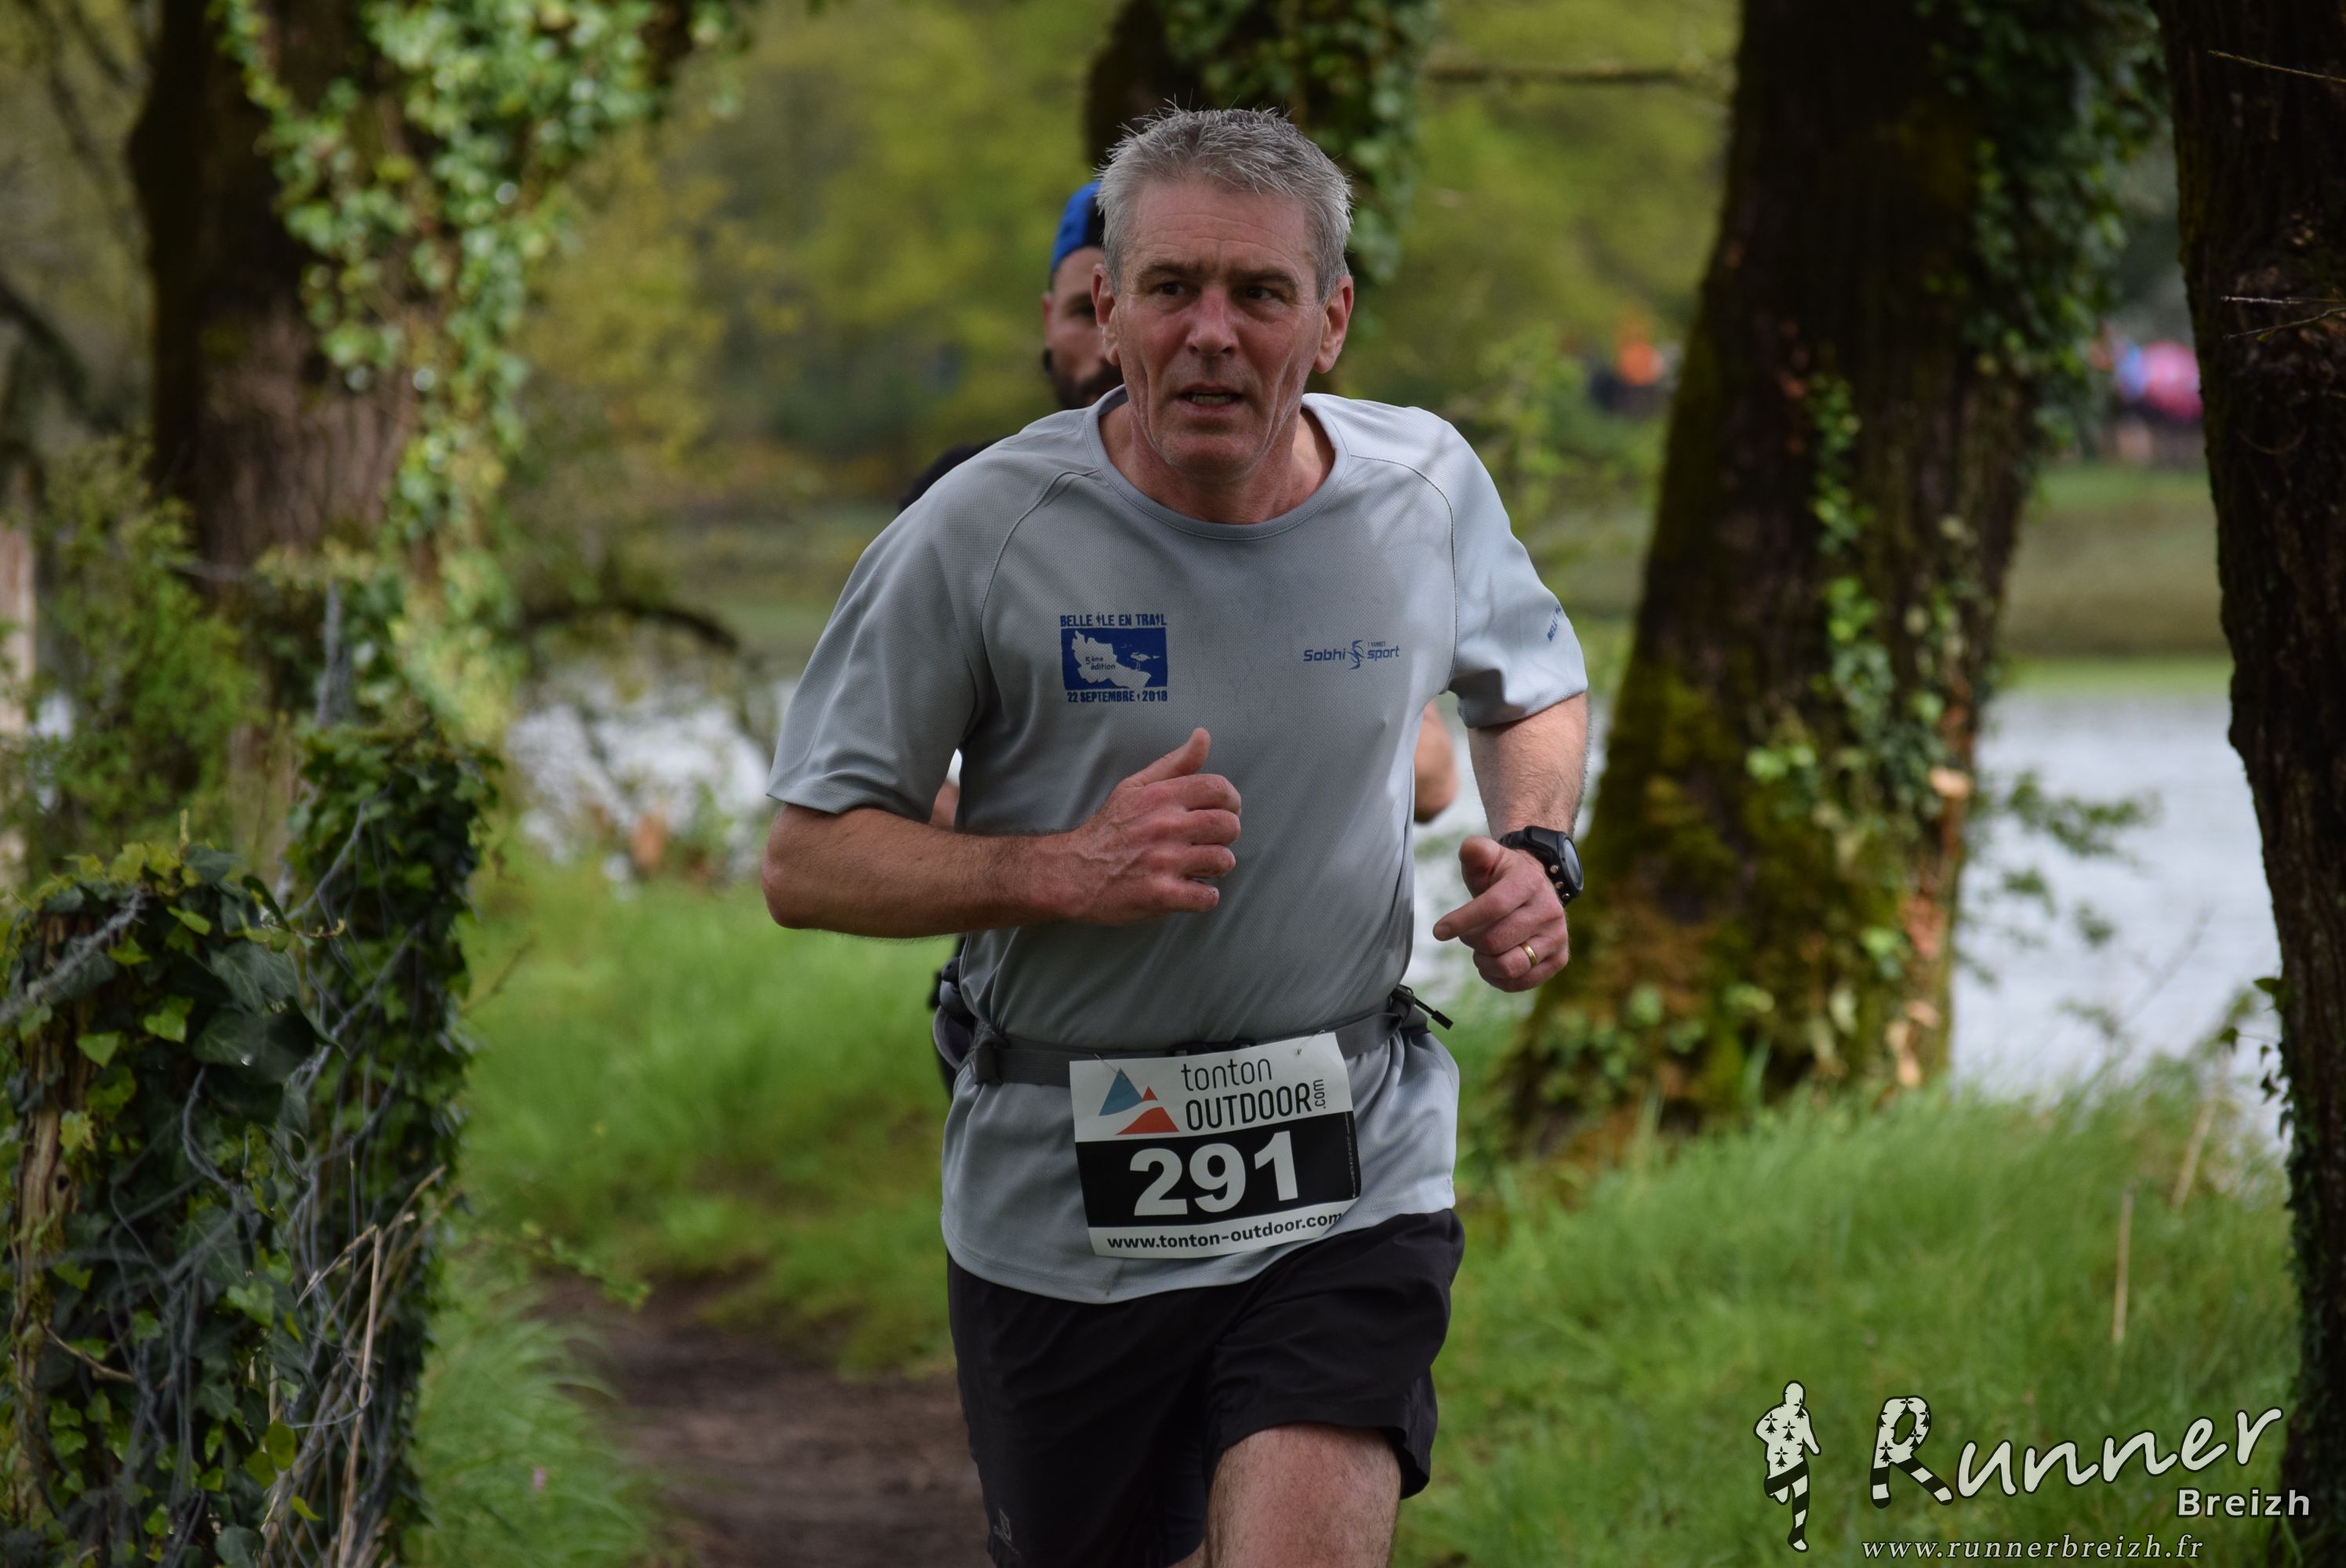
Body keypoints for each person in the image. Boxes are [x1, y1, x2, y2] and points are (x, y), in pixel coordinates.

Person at [762, 107, 1590, 1568]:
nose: (1213, 333)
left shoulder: (1424, 488)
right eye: (1170, 289)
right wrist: (1057, 869)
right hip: (1062, 1198)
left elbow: (1532, 684)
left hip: (1348, 1160)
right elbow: (808, 856)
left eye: (1260, 293)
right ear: (1106, 310)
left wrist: (1539, 850)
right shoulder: (978, 532)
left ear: (1329, 321)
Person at [913, 182, 1456, 830]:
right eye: (1088, 313)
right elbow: (863, 773)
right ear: (1069, 318)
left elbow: (1435, 780)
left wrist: (1279, 693)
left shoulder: (1325, 503)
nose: (1115, 347)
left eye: (1249, 295)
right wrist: (1056, 862)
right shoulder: (972, 503)